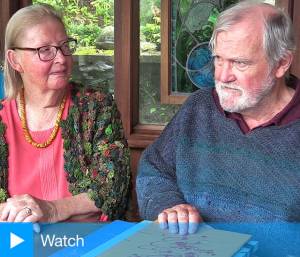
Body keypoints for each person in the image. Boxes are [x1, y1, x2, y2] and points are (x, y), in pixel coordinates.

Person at [137, 1, 300, 235]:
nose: (222, 76)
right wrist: (170, 207)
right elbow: (155, 170)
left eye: (240, 63)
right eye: (218, 59)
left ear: (282, 63)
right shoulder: (198, 108)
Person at [0, 3, 130, 223]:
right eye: (45, 50)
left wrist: (52, 209)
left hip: (83, 245)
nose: (61, 58)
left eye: (65, 46)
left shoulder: (96, 108)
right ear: (15, 60)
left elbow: (113, 189)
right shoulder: (3, 118)